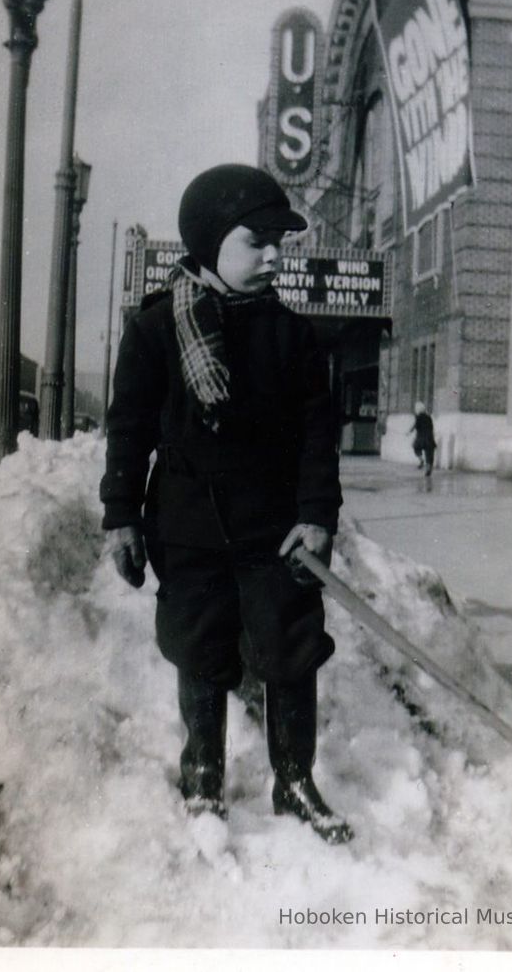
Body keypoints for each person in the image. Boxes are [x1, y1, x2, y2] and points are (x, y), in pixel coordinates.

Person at [100, 163, 353, 845]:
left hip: (274, 530)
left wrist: (315, 515)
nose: (274, 255)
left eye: (280, 241)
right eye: (257, 240)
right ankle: (204, 773)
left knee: (289, 647)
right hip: (188, 526)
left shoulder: (295, 335)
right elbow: (129, 429)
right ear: (211, 242)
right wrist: (121, 513)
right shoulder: (156, 329)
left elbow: (316, 437)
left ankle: (294, 780)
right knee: (201, 646)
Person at [408, 401, 436, 476]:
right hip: (429, 438)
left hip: (421, 438)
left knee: (416, 447)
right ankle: (428, 468)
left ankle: (421, 460)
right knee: (429, 454)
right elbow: (431, 428)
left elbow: (414, 426)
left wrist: (409, 432)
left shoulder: (418, 417)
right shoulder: (429, 417)